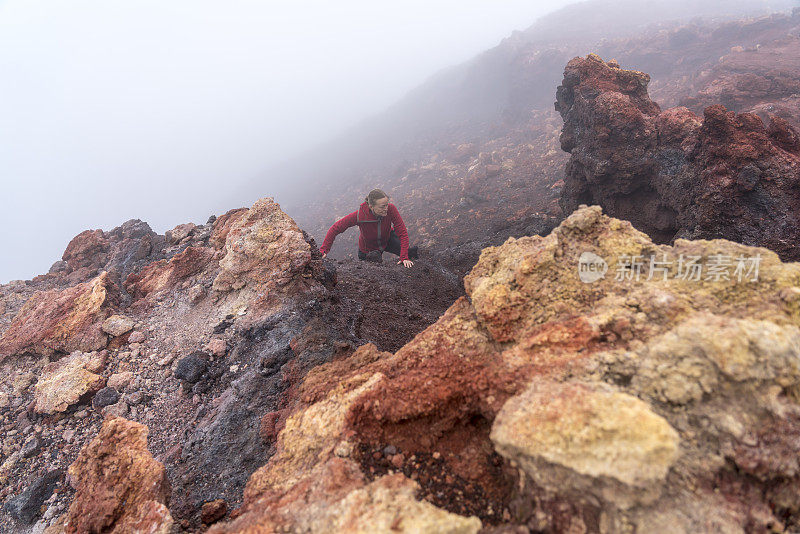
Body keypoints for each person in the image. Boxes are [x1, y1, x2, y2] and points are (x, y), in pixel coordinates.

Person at [319, 189, 419, 268]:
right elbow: (335, 228)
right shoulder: (360, 216)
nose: (386, 209)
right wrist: (324, 249)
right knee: (376, 272)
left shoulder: (391, 209)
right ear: (371, 206)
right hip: (368, 249)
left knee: (409, 254)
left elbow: (402, 231)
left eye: (387, 204)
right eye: (382, 206)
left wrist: (404, 257)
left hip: (388, 239)